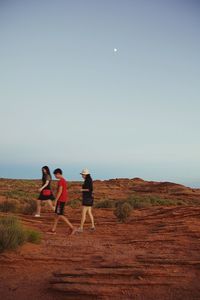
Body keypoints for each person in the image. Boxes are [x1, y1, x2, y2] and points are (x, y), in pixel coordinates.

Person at [48, 168, 76, 235]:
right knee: (57, 215)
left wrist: (56, 200)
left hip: (60, 200)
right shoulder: (64, 180)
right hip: (63, 199)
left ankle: (72, 227)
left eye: (55, 175)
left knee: (60, 215)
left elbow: (60, 191)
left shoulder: (61, 181)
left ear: (58, 174)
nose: (55, 176)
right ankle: (53, 230)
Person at [77, 168, 95, 232]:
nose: (82, 176)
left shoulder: (88, 180)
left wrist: (82, 190)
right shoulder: (88, 180)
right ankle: (93, 226)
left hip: (87, 199)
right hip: (89, 198)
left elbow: (89, 189)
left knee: (83, 213)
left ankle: (81, 228)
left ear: (85, 174)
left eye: (82, 174)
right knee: (89, 212)